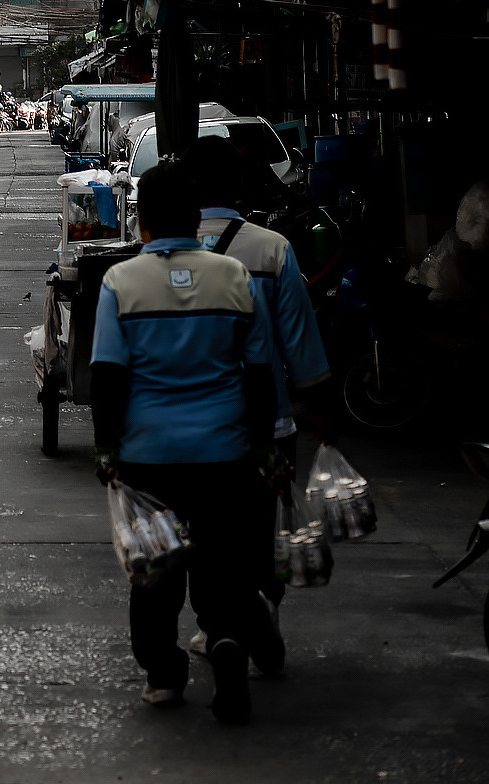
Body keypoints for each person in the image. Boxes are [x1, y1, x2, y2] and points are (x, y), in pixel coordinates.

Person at [90, 160, 278, 725]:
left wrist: (105, 449)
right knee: (221, 566)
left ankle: (165, 676)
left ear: (141, 222)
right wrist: (263, 445)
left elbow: (107, 376)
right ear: (196, 220)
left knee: (155, 574)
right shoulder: (233, 278)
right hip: (226, 455)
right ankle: (224, 641)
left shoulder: (121, 282)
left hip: (148, 457)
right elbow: (260, 374)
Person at [185, 134, 333, 665]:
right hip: (266, 424)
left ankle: (213, 624)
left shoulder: (161, 250)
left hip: (189, 430)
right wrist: (319, 403)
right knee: (258, 527)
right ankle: (263, 602)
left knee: (201, 530)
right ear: (241, 184)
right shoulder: (271, 248)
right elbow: (300, 340)